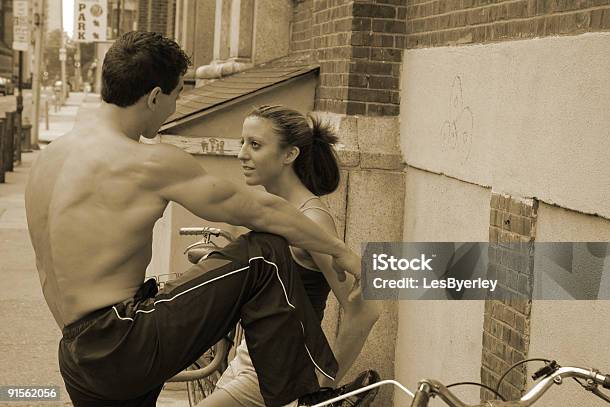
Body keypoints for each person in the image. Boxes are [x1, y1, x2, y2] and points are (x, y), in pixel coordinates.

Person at [24, 31, 362, 407]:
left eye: (254, 145)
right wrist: (343, 253)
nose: (173, 109)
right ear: (154, 96)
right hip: (123, 340)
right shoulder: (147, 161)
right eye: (174, 98)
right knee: (264, 253)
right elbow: (265, 212)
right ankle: (311, 399)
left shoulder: (47, 161)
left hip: (77, 353)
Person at [197, 105, 382, 407]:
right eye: (242, 142)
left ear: (289, 155)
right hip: (249, 358)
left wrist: (324, 385)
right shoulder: (273, 209)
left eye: (255, 145)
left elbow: (366, 309)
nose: (242, 154)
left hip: (278, 369)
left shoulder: (313, 219)